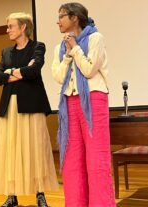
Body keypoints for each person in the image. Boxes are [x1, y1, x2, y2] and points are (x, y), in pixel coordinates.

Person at [0, 12, 59, 207]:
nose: (7, 30)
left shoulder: (38, 47)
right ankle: (12, 196)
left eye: (11, 26)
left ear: (23, 28)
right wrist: (18, 72)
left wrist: (9, 72)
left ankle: (40, 194)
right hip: (9, 106)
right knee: (10, 150)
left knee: (36, 149)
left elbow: (34, 71)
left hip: (31, 104)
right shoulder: (6, 52)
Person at [51, 2, 116, 207]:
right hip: (69, 102)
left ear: (75, 18)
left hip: (93, 100)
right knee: (72, 162)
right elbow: (59, 76)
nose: (57, 21)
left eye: (61, 16)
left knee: (97, 161)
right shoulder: (59, 47)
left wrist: (76, 48)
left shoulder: (96, 38)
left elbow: (89, 70)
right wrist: (69, 54)